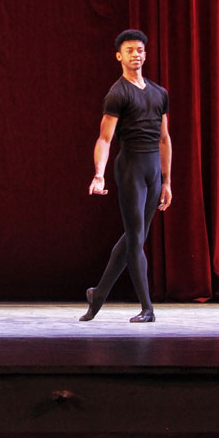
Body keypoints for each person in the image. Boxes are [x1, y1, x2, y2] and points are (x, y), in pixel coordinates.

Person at [80, 29, 171, 323]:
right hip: (131, 168)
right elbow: (105, 139)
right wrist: (99, 174)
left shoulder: (159, 93)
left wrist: (167, 181)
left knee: (136, 236)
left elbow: (164, 139)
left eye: (140, 50)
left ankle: (98, 294)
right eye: (130, 50)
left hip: (152, 170)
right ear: (119, 56)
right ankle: (148, 308)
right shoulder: (118, 93)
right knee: (135, 239)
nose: (136, 55)